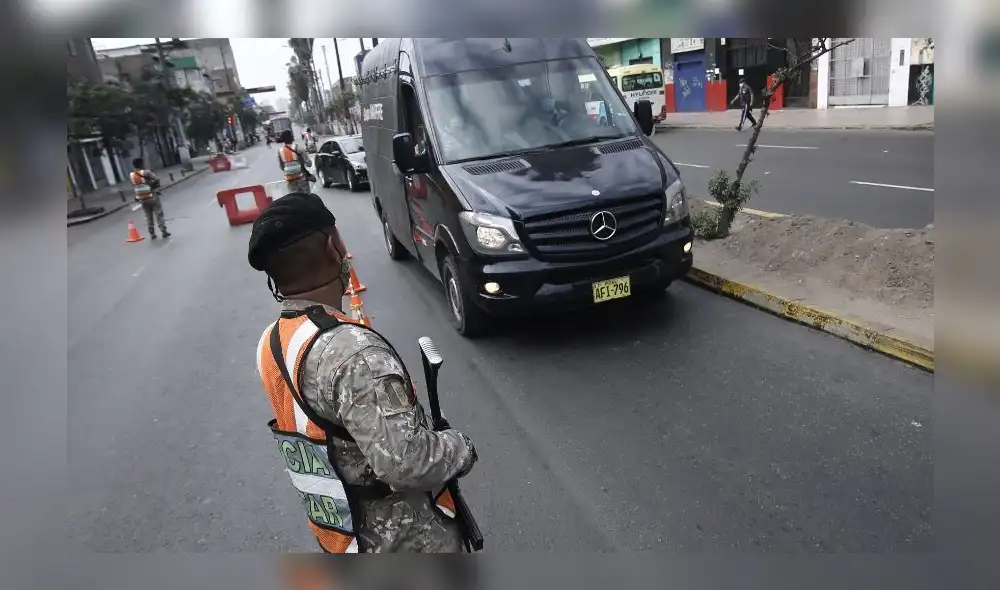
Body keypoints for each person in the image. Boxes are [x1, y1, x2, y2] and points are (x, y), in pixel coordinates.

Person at [247, 192, 478, 552]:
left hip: (345, 538)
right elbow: (406, 462)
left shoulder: (273, 341)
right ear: (332, 248)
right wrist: (460, 447)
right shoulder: (353, 352)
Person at [130, 158, 170, 239]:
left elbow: (135, 185)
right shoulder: (146, 172)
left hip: (142, 198)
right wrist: (156, 188)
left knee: (148, 215)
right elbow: (156, 179)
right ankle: (163, 230)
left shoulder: (132, 175)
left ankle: (152, 233)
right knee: (158, 213)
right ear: (141, 164)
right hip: (152, 195)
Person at [277, 130, 314, 195]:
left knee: (294, 198)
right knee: (307, 197)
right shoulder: (299, 148)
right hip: (301, 178)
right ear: (292, 137)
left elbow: (281, 167)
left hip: (289, 179)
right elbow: (309, 164)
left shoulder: (280, 151)